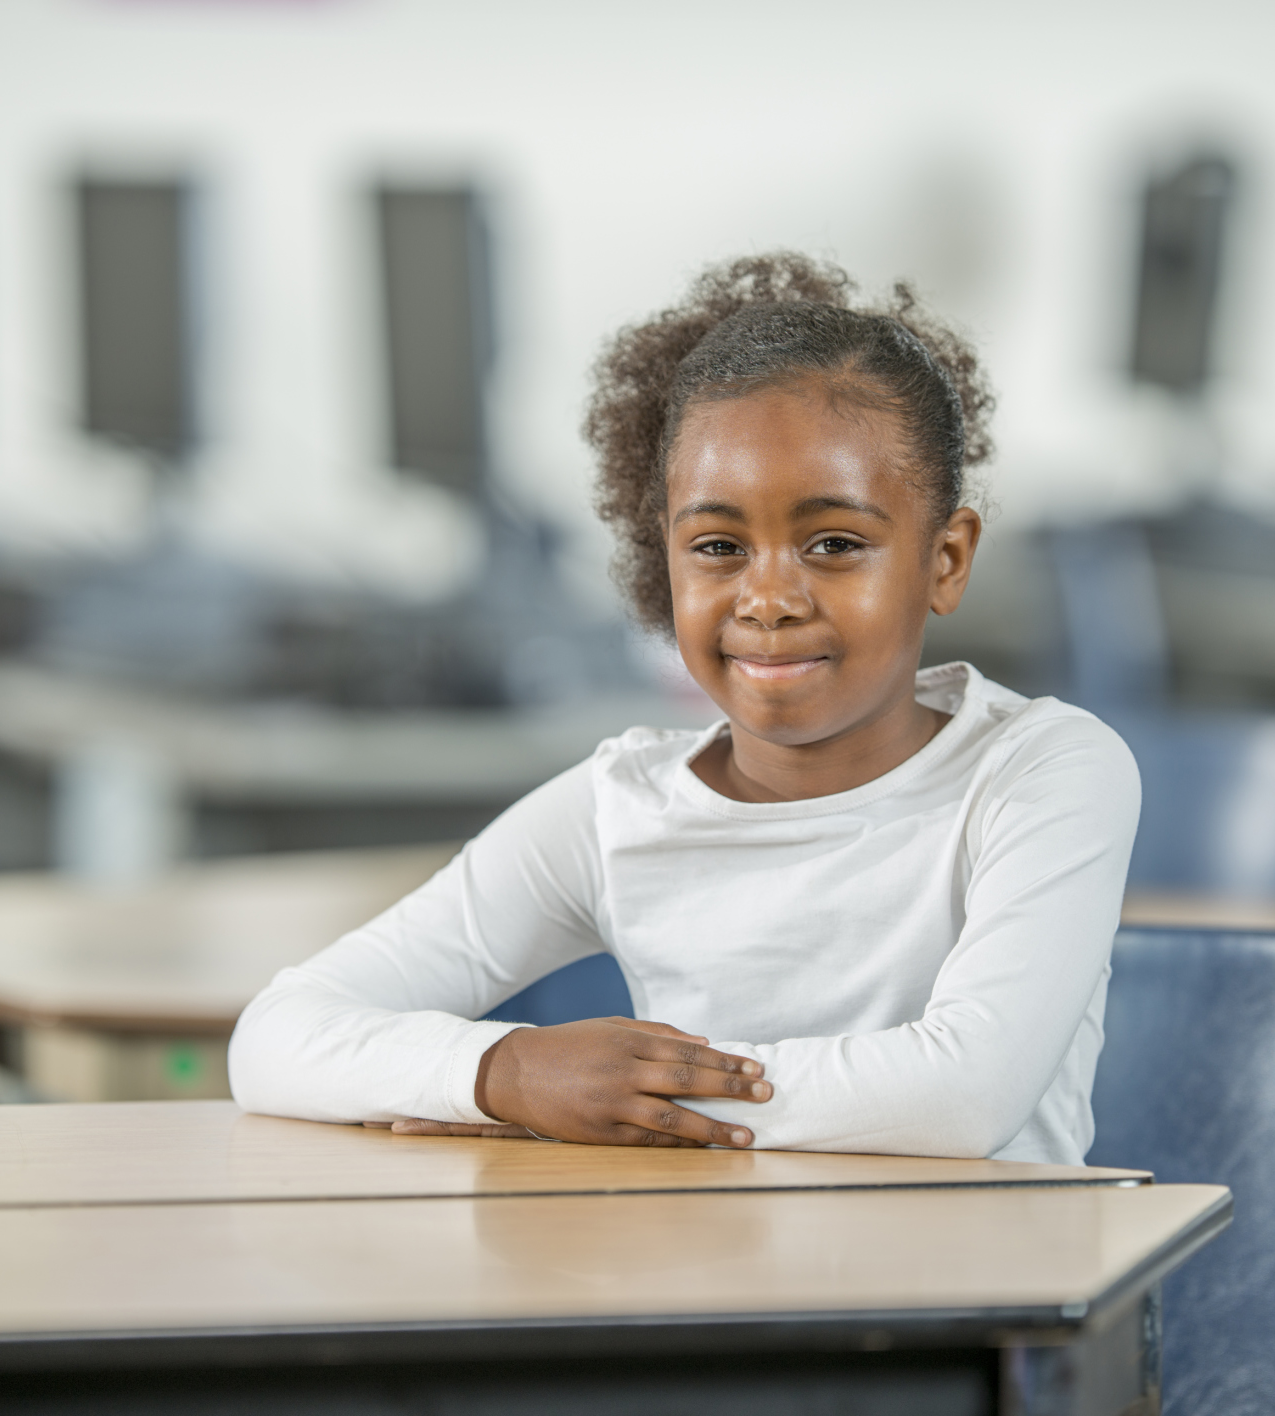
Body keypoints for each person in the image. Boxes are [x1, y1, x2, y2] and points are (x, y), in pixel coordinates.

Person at [230, 253, 1139, 1163]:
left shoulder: (1044, 769)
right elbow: (275, 1038)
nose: (768, 596)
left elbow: (960, 1099)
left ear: (945, 560)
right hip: (702, 1290)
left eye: (832, 543)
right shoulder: (617, 809)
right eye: (716, 544)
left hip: (990, 1297)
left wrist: (617, 1100)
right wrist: (507, 1074)